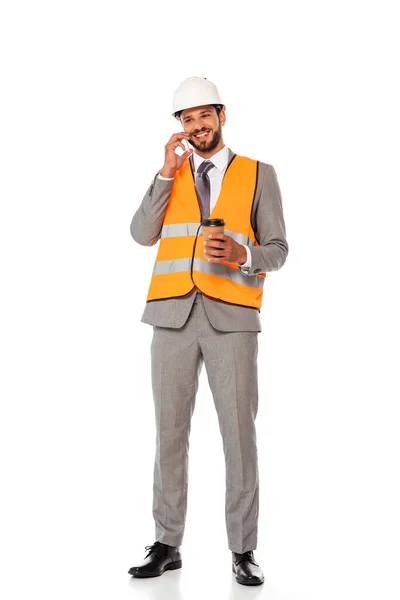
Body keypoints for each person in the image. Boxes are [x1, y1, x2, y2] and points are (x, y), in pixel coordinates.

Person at [128, 76, 289, 586]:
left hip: (232, 320)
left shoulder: (260, 174)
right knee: (169, 434)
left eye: (204, 116)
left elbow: (279, 249)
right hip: (171, 318)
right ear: (180, 127)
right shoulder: (170, 175)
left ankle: (243, 549)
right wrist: (163, 173)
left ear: (222, 115)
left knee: (239, 436)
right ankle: (167, 543)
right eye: (186, 119)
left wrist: (246, 255)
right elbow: (140, 234)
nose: (197, 126)